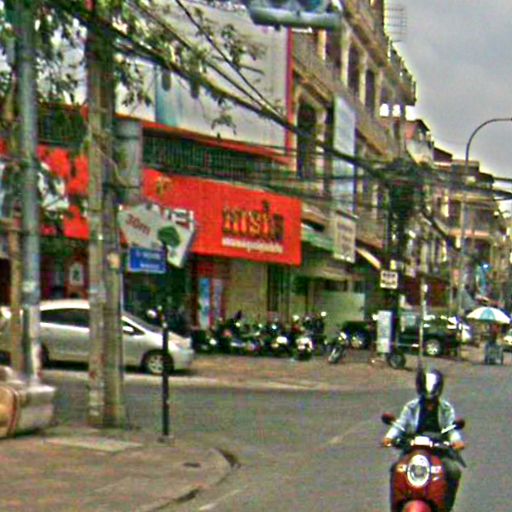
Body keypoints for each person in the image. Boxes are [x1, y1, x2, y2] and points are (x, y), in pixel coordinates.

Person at [381, 368, 465, 511]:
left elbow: (451, 429)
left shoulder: (445, 409)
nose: (429, 402)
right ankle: (396, 507)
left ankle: (445, 507)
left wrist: (456, 442)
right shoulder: (411, 407)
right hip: (413, 448)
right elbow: (400, 424)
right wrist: (389, 437)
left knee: (453, 471)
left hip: (439, 450)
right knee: (396, 469)